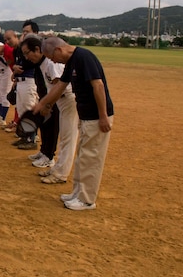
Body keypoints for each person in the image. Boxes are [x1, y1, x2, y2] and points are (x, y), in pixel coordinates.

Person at [32, 37, 114, 210]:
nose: (52, 61)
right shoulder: (71, 62)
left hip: (96, 117)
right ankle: (78, 193)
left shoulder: (83, 57)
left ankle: (86, 199)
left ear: (58, 50)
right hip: (86, 116)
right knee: (82, 157)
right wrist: (43, 103)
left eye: (51, 57)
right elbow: (60, 86)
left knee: (91, 158)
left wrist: (103, 115)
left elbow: (98, 85)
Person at [20, 36, 79, 184]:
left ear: (38, 50)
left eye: (28, 53)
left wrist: (47, 105)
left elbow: (60, 87)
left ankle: (61, 174)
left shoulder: (51, 64)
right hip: (60, 101)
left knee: (67, 138)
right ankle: (57, 169)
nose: (26, 57)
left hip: (68, 100)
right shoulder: (43, 64)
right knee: (64, 139)